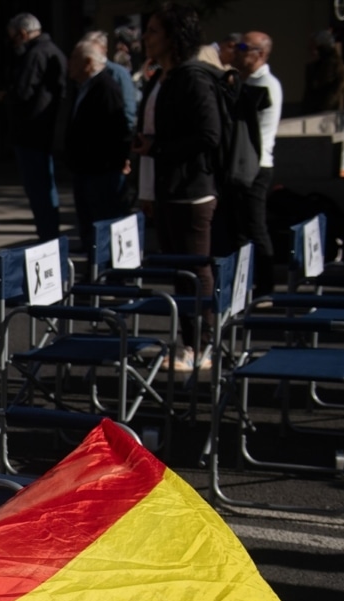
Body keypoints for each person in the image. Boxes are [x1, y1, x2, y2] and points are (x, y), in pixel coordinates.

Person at [134, 3, 222, 372]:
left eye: (154, 31)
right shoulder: (161, 78)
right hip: (166, 188)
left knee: (194, 271)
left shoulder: (193, 78)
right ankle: (191, 342)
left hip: (190, 190)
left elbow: (208, 135)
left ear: (174, 36)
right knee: (179, 271)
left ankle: (201, 346)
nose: (146, 38)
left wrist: (158, 148)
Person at [3, 13, 67, 242]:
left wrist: (7, 97)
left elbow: (23, 92)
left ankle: (48, 236)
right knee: (43, 187)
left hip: (32, 132)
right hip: (40, 132)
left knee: (39, 189)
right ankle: (49, 233)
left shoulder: (36, 54)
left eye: (13, 38)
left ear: (22, 34)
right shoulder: (49, 50)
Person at [232, 30, 283, 299]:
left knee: (255, 226)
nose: (237, 51)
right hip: (244, 164)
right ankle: (243, 284)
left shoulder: (264, 84)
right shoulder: (246, 80)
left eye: (243, 47)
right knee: (240, 229)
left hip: (255, 165)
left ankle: (265, 288)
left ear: (260, 53)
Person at [67, 41, 130, 236]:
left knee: (103, 227)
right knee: (89, 226)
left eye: (73, 59)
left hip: (101, 170)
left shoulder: (105, 87)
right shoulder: (84, 87)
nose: (69, 64)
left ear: (87, 62)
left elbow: (117, 129)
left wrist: (119, 161)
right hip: (86, 169)